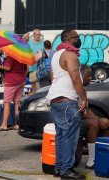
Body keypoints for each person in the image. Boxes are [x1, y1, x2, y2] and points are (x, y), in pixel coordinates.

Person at [46, 29, 87, 179]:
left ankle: (59, 167)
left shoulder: (56, 55)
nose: (78, 39)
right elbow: (76, 79)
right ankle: (67, 170)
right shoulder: (70, 55)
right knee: (69, 136)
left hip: (55, 99)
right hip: (67, 101)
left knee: (61, 136)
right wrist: (84, 98)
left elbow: (52, 77)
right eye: (76, 37)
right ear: (69, 39)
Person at [80, 65, 109, 169]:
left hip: (83, 118)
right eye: (88, 76)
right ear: (81, 76)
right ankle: (91, 160)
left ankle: (102, 155)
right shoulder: (76, 89)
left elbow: (87, 109)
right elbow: (81, 112)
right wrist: (95, 119)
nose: (91, 78)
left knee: (105, 122)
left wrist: (96, 117)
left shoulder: (83, 89)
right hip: (75, 122)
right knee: (94, 123)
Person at [0, 56, 27, 131]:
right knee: (17, 102)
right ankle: (17, 124)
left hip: (11, 81)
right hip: (21, 80)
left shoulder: (11, 57)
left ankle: (4, 124)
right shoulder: (22, 57)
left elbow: (8, 68)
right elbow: (25, 69)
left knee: (6, 102)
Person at [28, 29, 44, 93]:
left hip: (41, 67)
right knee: (34, 86)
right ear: (34, 35)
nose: (38, 36)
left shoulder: (43, 42)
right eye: (36, 34)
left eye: (39, 34)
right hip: (32, 67)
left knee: (41, 86)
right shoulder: (29, 43)